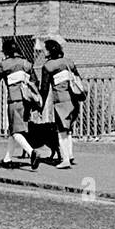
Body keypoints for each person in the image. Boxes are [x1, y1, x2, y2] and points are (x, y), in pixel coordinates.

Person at [0, 38, 42, 169]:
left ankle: (32, 152)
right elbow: (35, 83)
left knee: (16, 132)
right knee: (13, 130)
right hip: (27, 102)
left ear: (6, 51)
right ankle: (7, 159)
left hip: (14, 101)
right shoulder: (27, 64)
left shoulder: (4, 65)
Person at [42, 38, 87, 169]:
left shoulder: (48, 66)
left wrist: (40, 105)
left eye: (45, 49)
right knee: (69, 130)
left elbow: (44, 88)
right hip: (73, 99)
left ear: (50, 51)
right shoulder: (69, 62)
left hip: (60, 101)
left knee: (61, 131)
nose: (42, 51)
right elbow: (78, 78)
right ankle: (71, 155)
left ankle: (65, 159)